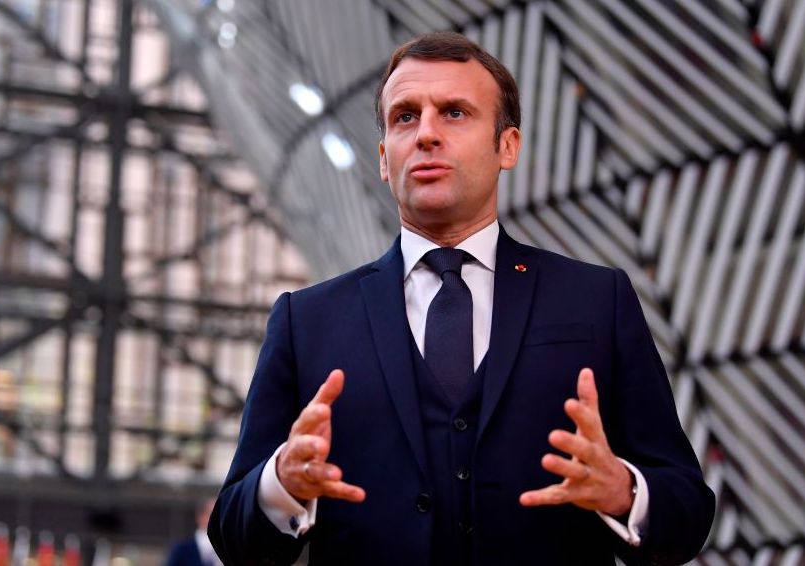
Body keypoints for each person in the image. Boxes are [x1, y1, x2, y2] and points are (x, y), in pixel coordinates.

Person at [209, 31, 714, 565]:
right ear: (384, 159)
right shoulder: (307, 321)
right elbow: (234, 537)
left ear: (508, 146)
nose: (426, 133)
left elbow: (687, 510)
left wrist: (623, 492)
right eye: (405, 117)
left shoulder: (596, 301)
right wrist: (281, 484)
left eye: (454, 113)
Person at [167, 499, 223, 566]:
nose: (219, 518)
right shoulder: (181, 551)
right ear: (201, 516)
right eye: (214, 513)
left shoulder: (230, 551)